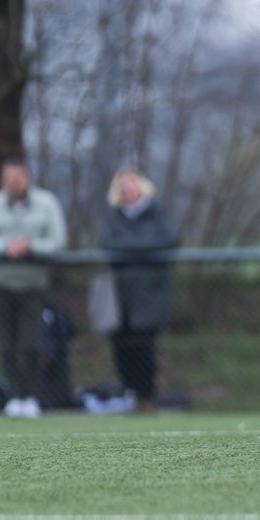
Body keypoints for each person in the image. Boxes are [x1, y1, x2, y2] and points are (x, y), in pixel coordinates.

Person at [0, 157, 67, 418]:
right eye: (8, 179)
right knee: (6, 344)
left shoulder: (46, 203)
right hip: (1, 283)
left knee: (30, 343)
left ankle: (30, 395)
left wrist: (30, 247)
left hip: (33, 284)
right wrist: (7, 247)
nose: (13, 184)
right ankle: (13, 396)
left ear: (27, 178)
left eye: (18, 178)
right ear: (2, 181)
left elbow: (57, 240)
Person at [99, 168, 180, 413]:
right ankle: (129, 393)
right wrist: (143, 249)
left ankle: (147, 396)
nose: (128, 190)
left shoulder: (157, 213)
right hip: (120, 293)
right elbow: (110, 245)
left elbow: (168, 241)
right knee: (122, 346)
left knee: (144, 346)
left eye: (132, 185)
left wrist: (132, 250)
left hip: (150, 292)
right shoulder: (114, 217)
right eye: (123, 187)